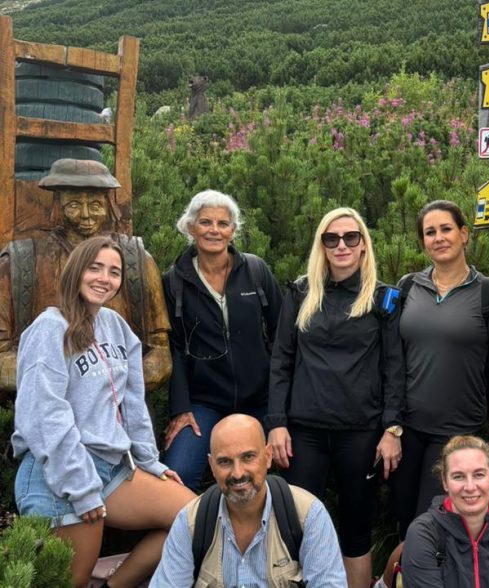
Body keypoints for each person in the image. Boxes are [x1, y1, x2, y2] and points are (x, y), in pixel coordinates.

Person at [12, 235, 194, 588]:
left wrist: (150, 462)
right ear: (76, 271)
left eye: (114, 272)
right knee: (72, 581)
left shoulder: (115, 326)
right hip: (59, 472)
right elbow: (45, 415)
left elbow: (133, 404)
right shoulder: (50, 328)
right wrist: (80, 487)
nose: (104, 278)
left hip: (113, 468)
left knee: (195, 518)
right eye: (95, 268)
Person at [267, 207, 405, 588]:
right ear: (322, 246)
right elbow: (280, 360)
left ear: (363, 245)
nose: (341, 245)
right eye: (331, 238)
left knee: (356, 527)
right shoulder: (299, 293)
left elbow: (394, 368)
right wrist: (276, 423)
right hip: (304, 431)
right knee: (295, 525)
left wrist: (392, 429)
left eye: (350, 237)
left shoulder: (383, 298)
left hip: (360, 432)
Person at [0, 158, 171, 395]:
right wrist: (63, 384)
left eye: (95, 205)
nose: (86, 215)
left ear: (109, 205)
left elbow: (161, 355)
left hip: (118, 403)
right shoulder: (19, 262)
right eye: (73, 205)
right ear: (57, 205)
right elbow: (2, 356)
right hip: (48, 400)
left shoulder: (137, 261)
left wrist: (108, 385)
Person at [391, 200, 489, 540]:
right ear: (423, 242)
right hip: (406, 431)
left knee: (429, 528)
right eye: (430, 232)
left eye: (446, 229)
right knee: (402, 523)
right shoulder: (408, 287)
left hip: (457, 433)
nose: (439, 238)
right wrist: (391, 425)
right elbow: (392, 360)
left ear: (464, 234)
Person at [162, 189, 282, 491]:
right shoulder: (174, 281)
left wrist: (280, 405)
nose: (214, 230)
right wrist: (180, 408)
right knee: (178, 474)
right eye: (205, 222)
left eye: (222, 223)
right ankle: (201, 523)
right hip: (204, 402)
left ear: (232, 230)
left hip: (261, 398)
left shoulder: (255, 271)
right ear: (191, 227)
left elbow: (281, 336)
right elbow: (174, 348)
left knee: (289, 461)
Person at [150, 414, 348, 587]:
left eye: (248, 457)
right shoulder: (190, 522)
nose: (237, 473)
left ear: (268, 456)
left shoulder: (308, 515)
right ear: (212, 466)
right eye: (225, 461)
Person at [401, 435, 489, 587]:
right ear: (445, 481)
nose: (470, 487)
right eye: (458, 476)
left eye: (479, 475)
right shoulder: (424, 533)